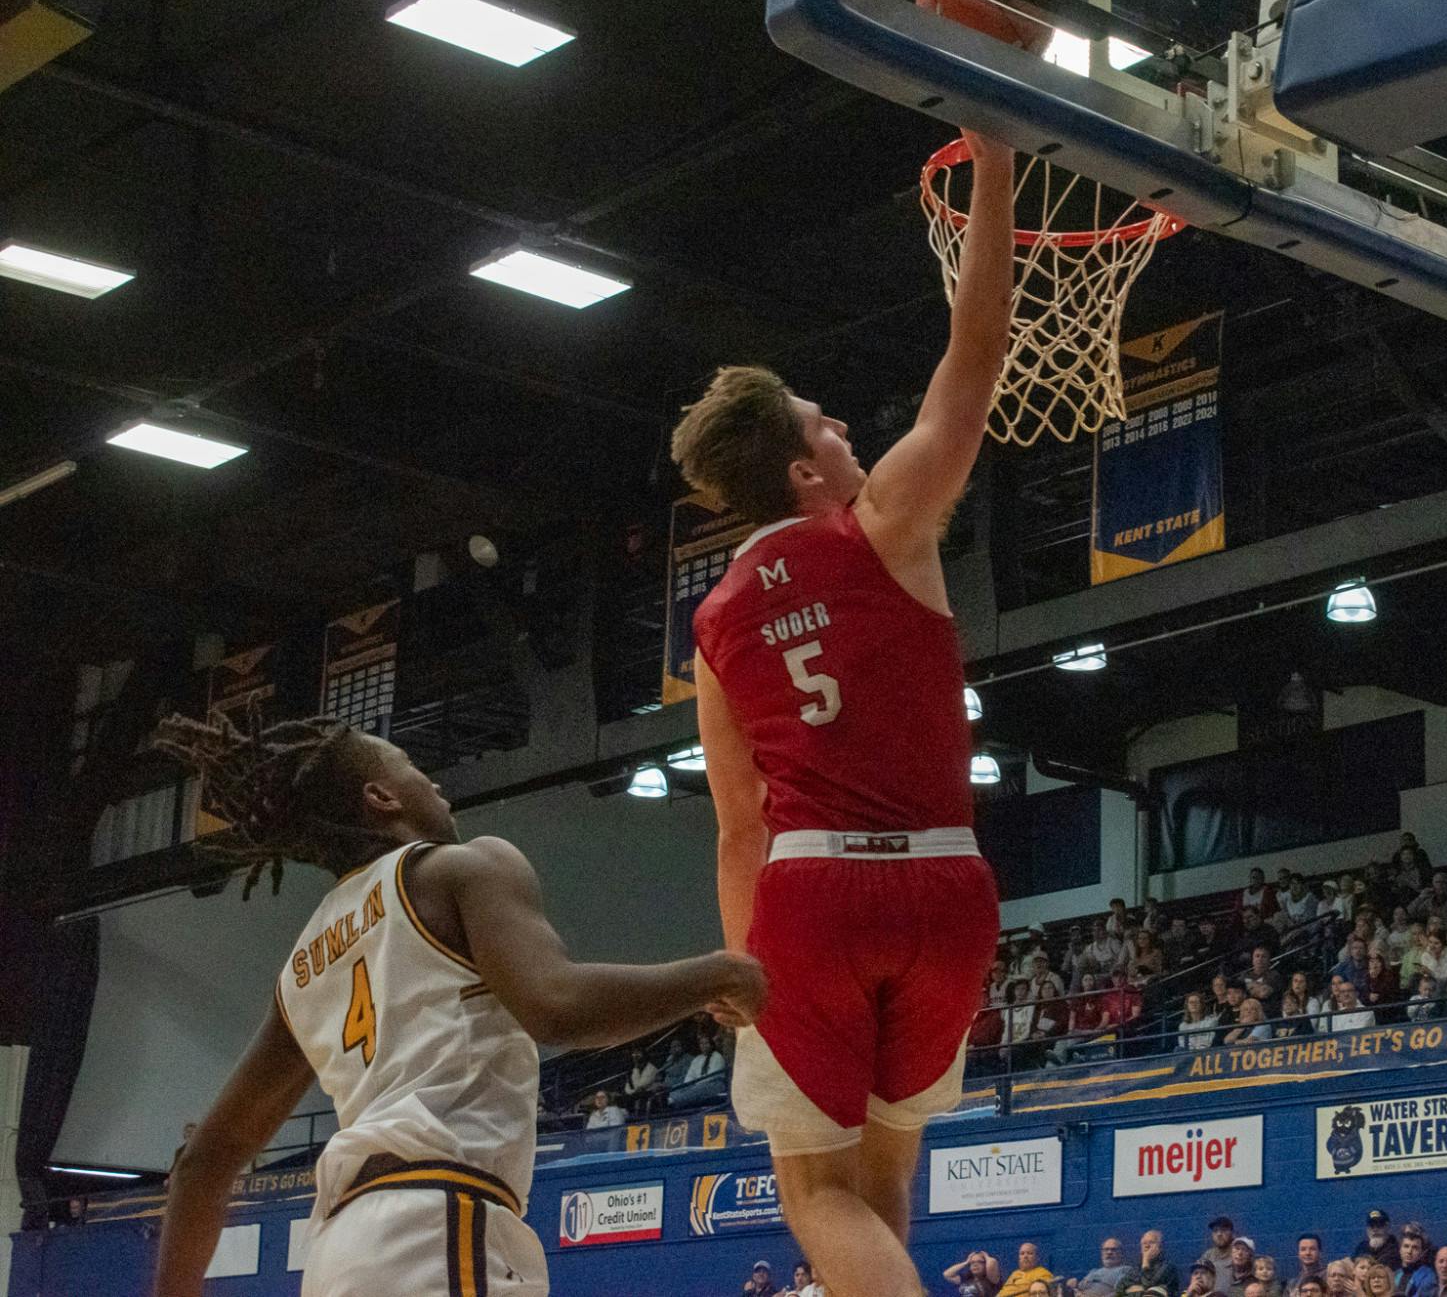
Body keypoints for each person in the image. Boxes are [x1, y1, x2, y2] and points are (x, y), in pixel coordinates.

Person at [674, 128, 1016, 1297]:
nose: (850, 433)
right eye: (828, 426)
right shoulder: (884, 528)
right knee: (881, 1178)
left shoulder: (715, 623)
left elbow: (738, 823)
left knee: (815, 1193)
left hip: (811, 894)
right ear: (802, 474)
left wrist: (743, 969)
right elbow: (975, 354)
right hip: (946, 887)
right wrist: (996, 158)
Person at [146, 713, 764, 1297]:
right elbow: (557, 1008)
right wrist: (719, 973)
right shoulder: (460, 869)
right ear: (381, 797)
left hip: (339, 1250)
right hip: (436, 1217)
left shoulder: (302, 966)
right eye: (412, 766)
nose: (435, 783)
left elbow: (204, 1163)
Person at [1117, 1230, 1181, 1297]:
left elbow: (1148, 1285)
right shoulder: (1137, 1268)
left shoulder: (1168, 1267)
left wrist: (1145, 1262)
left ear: (1160, 1247)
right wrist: (1141, 1290)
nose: (1147, 1246)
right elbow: (1119, 1288)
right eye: (1144, 1243)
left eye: (1151, 1242)